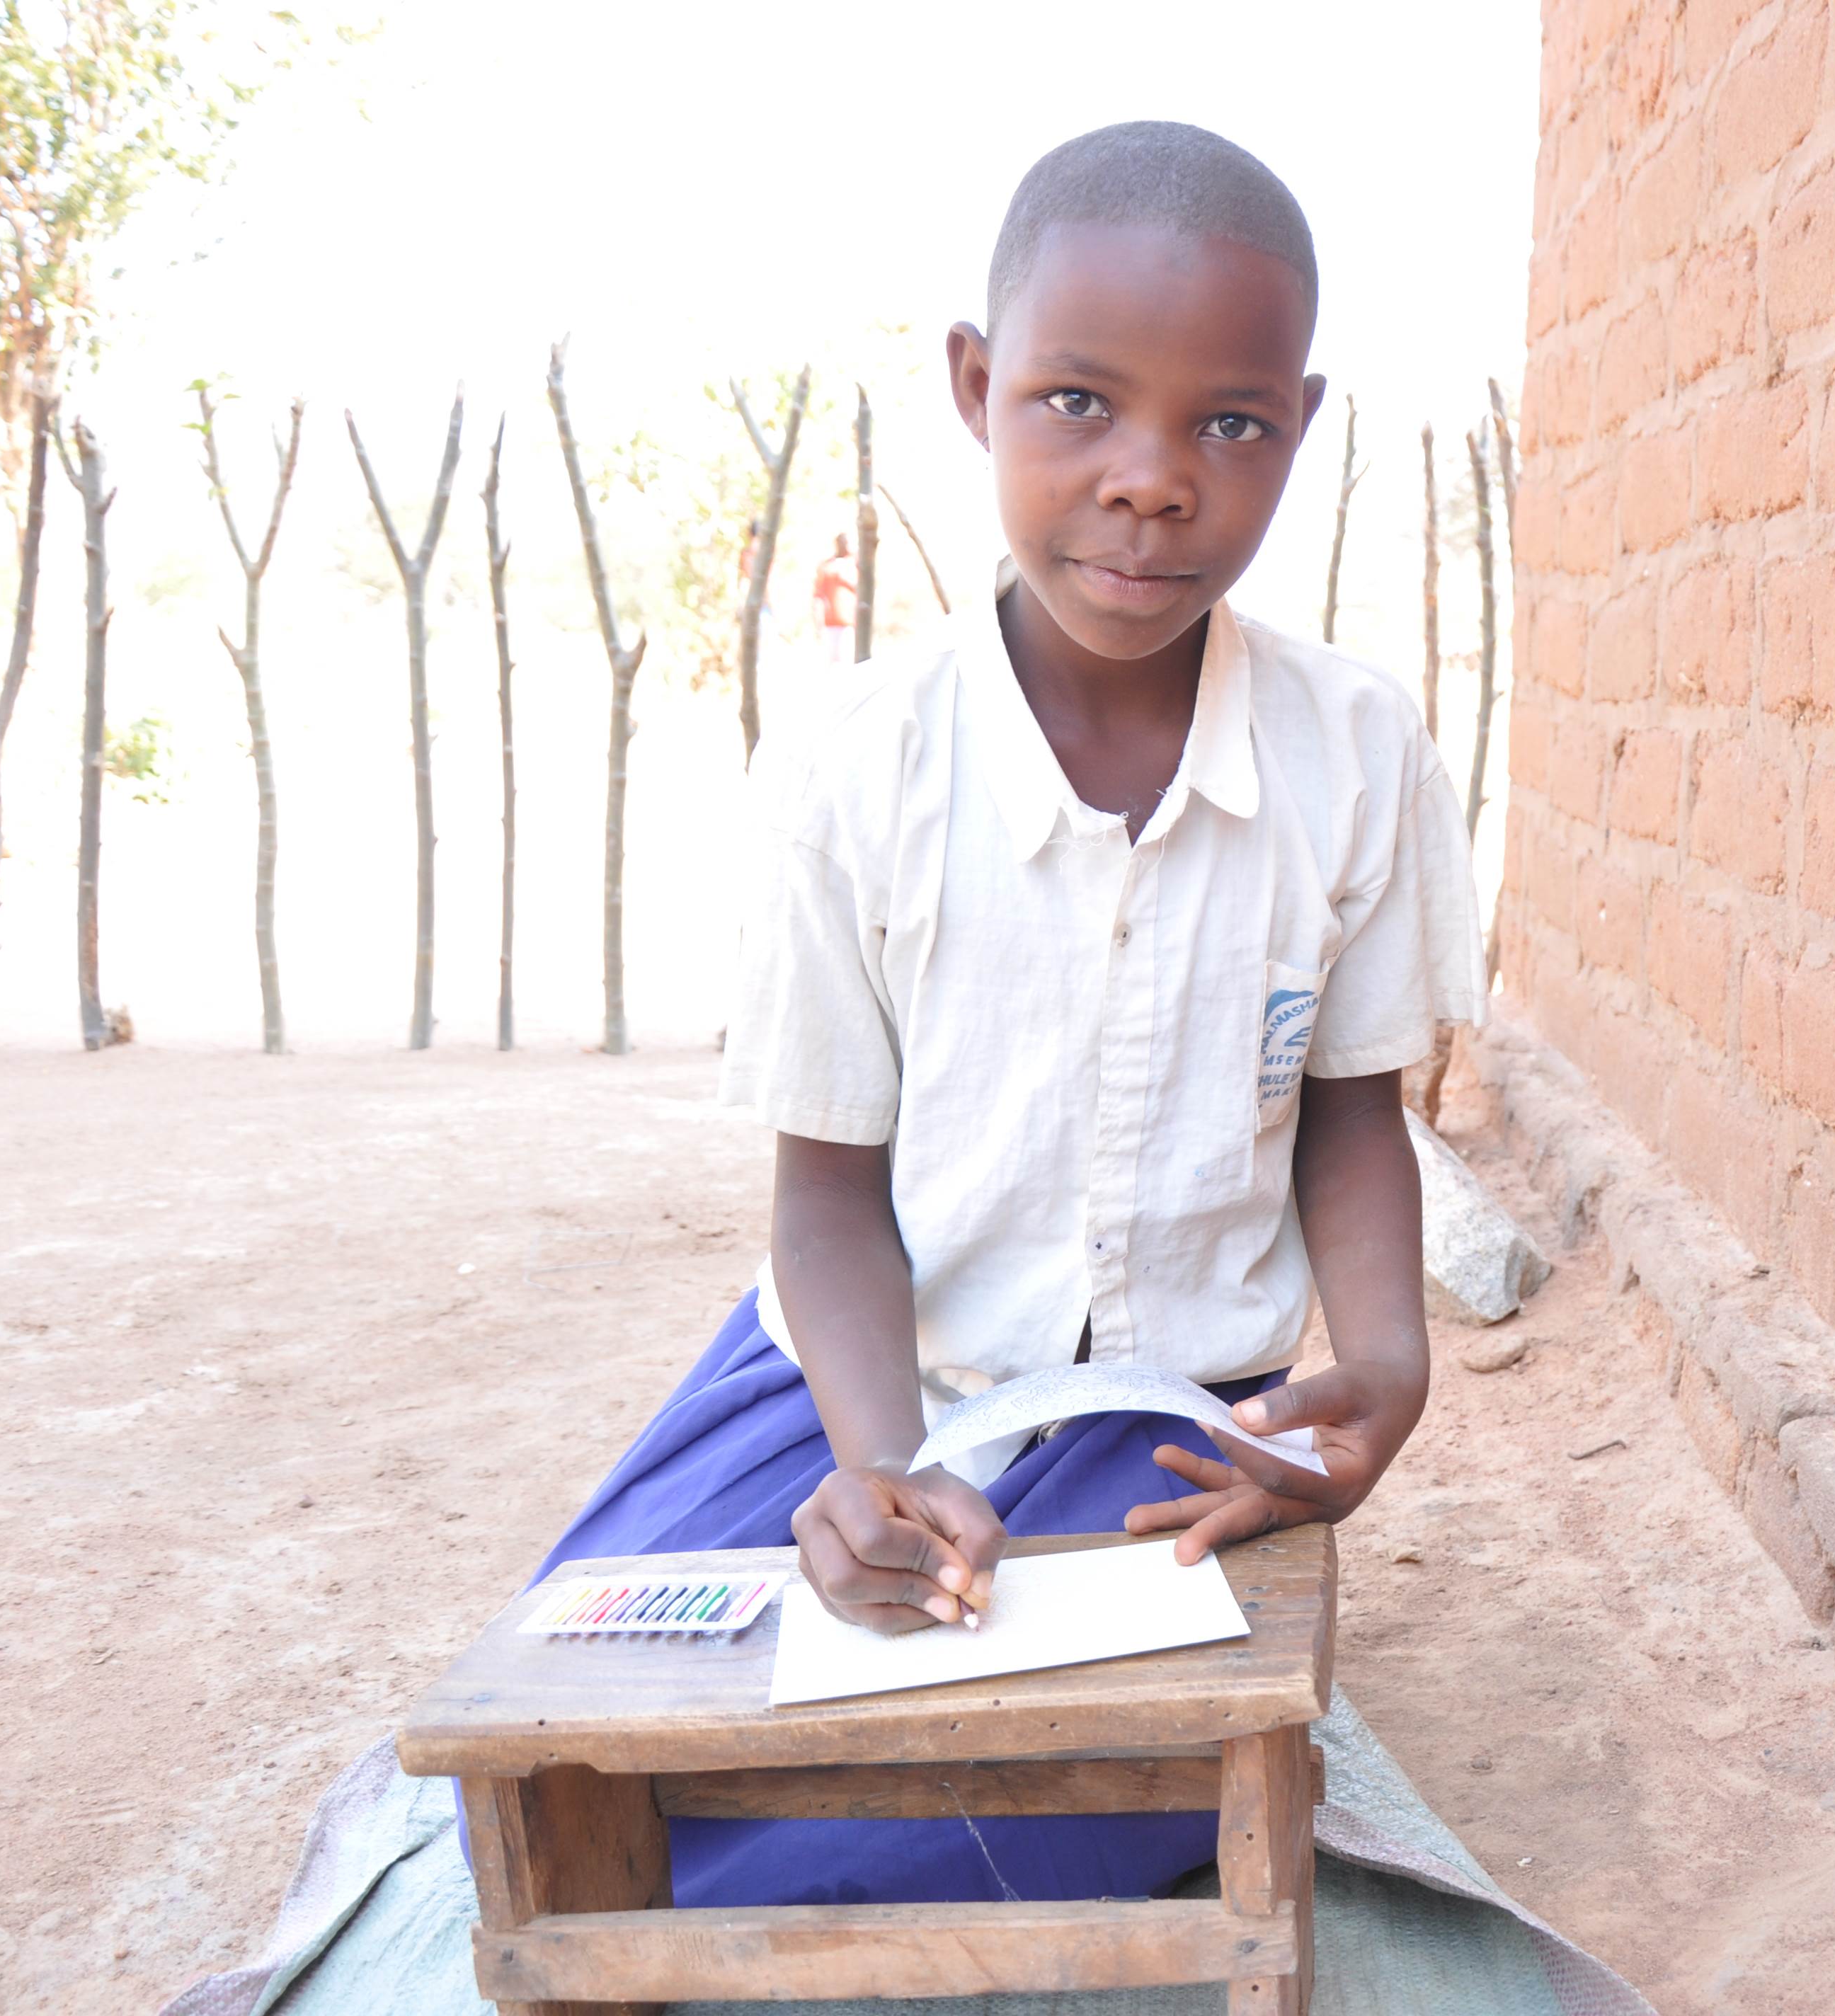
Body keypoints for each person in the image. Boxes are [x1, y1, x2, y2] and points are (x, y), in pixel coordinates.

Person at [503, 121, 1483, 1911]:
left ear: (1299, 426)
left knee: (1049, 1779)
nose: (1151, 480)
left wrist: (1386, 1363)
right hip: (860, 1375)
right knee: (575, 1737)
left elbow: (1353, 1108)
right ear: (975, 384)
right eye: (1079, 403)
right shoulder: (853, 770)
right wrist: (876, 1469)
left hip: (1162, 1406)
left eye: (1229, 424)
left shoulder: (1357, 755)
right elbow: (826, 1190)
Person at [813, 532, 857, 663]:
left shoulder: (855, 564)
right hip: (830, 623)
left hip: (849, 623)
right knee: (833, 664)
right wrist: (818, 623)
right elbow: (818, 596)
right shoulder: (827, 566)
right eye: (842, 542)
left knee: (847, 662)